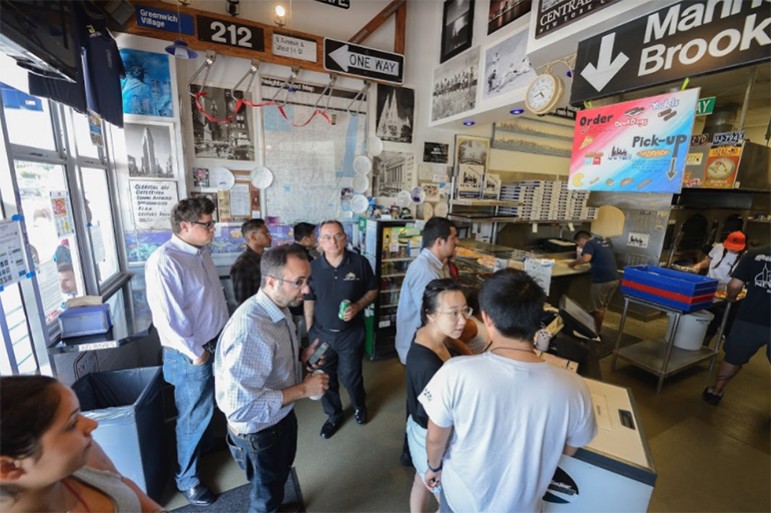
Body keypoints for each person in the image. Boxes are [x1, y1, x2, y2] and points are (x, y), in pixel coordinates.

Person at [419, 268, 597, 513]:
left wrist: (434, 467)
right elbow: (569, 448)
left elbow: (435, 438)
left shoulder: (455, 372)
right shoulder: (574, 387)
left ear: (487, 318)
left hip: (462, 501)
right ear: (538, 319)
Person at [215, 244, 329, 513]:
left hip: (278, 417)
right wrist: (303, 389)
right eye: (298, 282)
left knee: (276, 480)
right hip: (260, 431)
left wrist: (300, 356)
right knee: (264, 494)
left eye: (307, 280)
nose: (306, 289)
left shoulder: (279, 306)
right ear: (271, 281)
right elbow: (239, 406)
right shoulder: (250, 329)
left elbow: (268, 359)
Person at [145, 196, 228, 507]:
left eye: (212, 223)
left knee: (208, 407)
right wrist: (197, 354)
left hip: (214, 341)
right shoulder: (165, 260)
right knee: (192, 415)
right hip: (191, 353)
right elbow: (167, 319)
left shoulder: (201, 252)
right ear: (185, 226)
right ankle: (187, 479)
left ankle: (206, 445)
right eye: (207, 224)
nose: (213, 229)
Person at [0, 375, 162, 512]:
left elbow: (120, 483)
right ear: (9, 467)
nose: (92, 424)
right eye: (72, 424)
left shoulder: (84, 457)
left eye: (79, 413)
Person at [304, 220, 378, 439]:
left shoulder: (360, 263)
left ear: (345, 238)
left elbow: (373, 291)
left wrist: (357, 306)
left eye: (337, 235)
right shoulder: (313, 267)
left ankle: (359, 406)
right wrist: (310, 333)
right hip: (320, 336)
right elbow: (309, 300)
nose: (332, 241)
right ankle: (333, 415)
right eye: (326, 237)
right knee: (324, 377)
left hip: (350, 335)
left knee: (351, 376)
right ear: (319, 242)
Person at [405, 279, 470, 513]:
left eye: (465, 310)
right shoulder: (427, 364)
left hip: (418, 429)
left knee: (421, 480)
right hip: (430, 437)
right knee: (447, 499)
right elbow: (435, 428)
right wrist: (435, 464)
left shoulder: (429, 334)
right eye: (453, 313)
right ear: (431, 314)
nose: (463, 320)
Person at [702, 245, 770, 406]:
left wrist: (731, 299)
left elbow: (734, 286)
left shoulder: (755, 254)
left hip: (750, 318)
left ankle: (716, 391)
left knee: (733, 357)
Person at [396, 217, 459, 364]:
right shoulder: (426, 271)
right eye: (453, 238)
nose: (457, 242)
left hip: (425, 345)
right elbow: (431, 315)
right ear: (439, 242)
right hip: (420, 348)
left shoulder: (437, 265)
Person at [691, 231, 747, 345]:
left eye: (735, 248)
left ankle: (714, 340)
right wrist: (699, 265)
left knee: (722, 319)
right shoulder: (718, 247)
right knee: (704, 314)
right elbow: (709, 260)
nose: (732, 249)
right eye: (730, 246)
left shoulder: (746, 257)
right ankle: (700, 340)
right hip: (709, 286)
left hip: (729, 291)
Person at [568, 230, 619, 336]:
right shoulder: (601, 241)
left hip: (602, 281)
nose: (580, 247)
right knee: (602, 307)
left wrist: (574, 263)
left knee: (597, 309)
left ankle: (595, 332)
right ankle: (596, 330)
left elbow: (586, 258)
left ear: (581, 240)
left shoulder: (589, 244)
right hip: (614, 279)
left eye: (578, 244)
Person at [230, 219, 272, 306]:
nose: (270, 236)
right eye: (265, 233)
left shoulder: (267, 258)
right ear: (253, 237)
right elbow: (243, 303)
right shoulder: (242, 266)